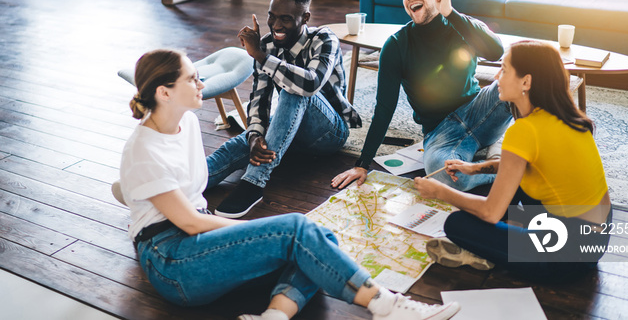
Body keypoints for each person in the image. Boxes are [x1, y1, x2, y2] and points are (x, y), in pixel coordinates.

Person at [119, 49, 460, 320]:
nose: (202, 82)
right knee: (296, 230)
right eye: (192, 79)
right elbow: (189, 222)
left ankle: (274, 316)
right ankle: (387, 305)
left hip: (197, 241)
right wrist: (257, 232)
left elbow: (194, 198)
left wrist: (254, 236)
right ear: (165, 92)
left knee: (319, 239)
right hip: (171, 262)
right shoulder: (142, 149)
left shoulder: (188, 124)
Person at [414, 40, 612, 280]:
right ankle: (507, 237)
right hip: (596, 240)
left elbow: (490, 213)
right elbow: (525, 166)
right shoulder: (566, 117)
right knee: (514, 185)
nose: (497, 76)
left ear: (526, 82)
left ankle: (488, 252)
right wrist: (474, 169)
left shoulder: (524, 131)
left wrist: (439, 191)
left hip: (567, 256)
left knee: (457, 223)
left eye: (505, 69)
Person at [332, 0, 512, 191]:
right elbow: (384, 108)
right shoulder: (396, 45)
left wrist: (449, 12)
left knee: (525, 76)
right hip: (441, 132)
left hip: (480, 110)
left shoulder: (461, 24)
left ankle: (502, 150)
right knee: (443, 177)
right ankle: (504, 169)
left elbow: (496, 51)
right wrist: (362, 164)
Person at [208, 0, 362, 218]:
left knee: (294, 89)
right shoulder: (267, 44)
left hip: (329, 133)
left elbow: (310, 83)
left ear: (305, 17)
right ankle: (183, 185)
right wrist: (255, 136)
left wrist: (259, 55)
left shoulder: (324, 39)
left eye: (286, 19)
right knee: (235, 146)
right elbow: (259, 97)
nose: (276, 25)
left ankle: (254, 183)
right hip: (288, 132)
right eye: (272, 17)